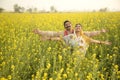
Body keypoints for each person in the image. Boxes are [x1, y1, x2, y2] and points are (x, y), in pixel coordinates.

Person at [33, 20, 107, 41]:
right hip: (66, 51)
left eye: (69, 24)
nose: (68, 25)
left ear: (71, 25)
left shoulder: (77, 31)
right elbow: (52, 33)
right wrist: (39, 32)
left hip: (77, 51)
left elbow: (90, 33)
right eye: (66, 25)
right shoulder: (63, 33)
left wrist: (100, 31)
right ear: (64, 27)